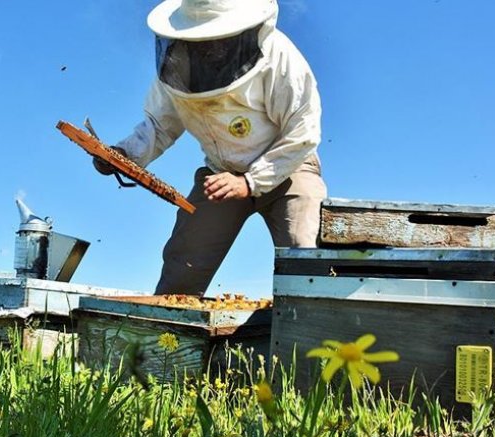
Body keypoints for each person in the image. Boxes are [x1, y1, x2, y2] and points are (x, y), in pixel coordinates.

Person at [94, 0, 327, 296]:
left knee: (305, 256)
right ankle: (167, 340)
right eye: (199, 40)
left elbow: (303, 131)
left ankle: (315, 338)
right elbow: (159, 125)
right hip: (220, 175)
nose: (209, 49)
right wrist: (124, 155)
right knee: (183, 269)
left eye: (215, 41)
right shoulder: (175, 65)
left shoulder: (280, 57)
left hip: (288, 167)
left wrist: (251, 181)